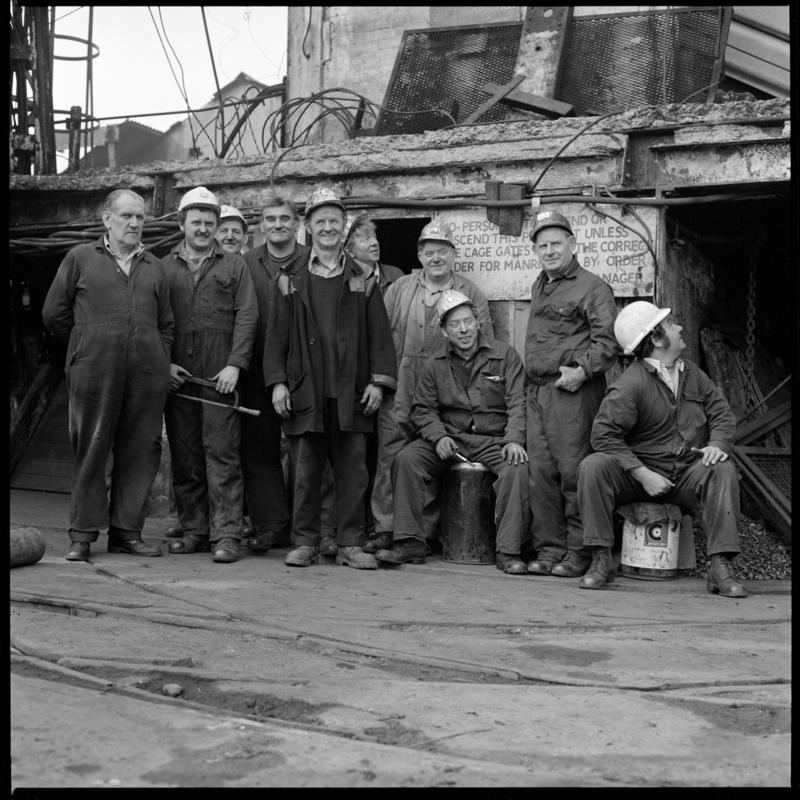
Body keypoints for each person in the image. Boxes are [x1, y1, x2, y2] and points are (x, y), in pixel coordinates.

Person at [264, 187, 397, 569]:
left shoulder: (362, 277)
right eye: (320, 221)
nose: (327, 228)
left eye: (334, 221)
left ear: (343, 227)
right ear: (308, 227)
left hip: (351, 389)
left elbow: (380, 335)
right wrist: (277, 382)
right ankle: (305, 541)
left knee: (353, 471)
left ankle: (350, 543)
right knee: (305, 471)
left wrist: (378, 381)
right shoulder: (289, 277)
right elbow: (276, 334)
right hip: (305, 386)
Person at [577, 301, 747, 597]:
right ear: (656, 339)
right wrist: (642, 474)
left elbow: (721, 413)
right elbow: (603, 435)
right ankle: (600, 558)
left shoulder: (692, 373)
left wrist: (717, 444)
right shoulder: (630, 384)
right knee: (592, 467)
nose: (679, 328)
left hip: (685, 476)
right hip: (637, 480)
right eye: (670, 325)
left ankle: (720, 566)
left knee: (722, 468)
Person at [42, 189, 173, 561]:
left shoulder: (155, 266)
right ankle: (83, 535)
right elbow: (53, 314)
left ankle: (126, 534)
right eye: (126, 216)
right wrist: (86, 345)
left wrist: (159, 356)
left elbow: (167, 324)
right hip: (94, 370)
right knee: (92, 447)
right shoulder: (80, 258)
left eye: (140, 217)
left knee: (141, 450)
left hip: (146, 374)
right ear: (106, 218)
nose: (134, 223)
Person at [377, 291, 529, 569]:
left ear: (478, 322)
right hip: (451, 438)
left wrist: (514, 440)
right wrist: (438, 436)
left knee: (516, 468)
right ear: (445, 331)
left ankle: (508, 551)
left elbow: (518, 401)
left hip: (494, 440)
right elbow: (423, 408)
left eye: (468, 321)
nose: (464, 329)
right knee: (407, 459)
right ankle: (410, 541)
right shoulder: (434, 364)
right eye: (455, 324)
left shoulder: (505, 355)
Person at [368, 220, 494, 555]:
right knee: (390, 456)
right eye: (429, 252)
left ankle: (424, 532)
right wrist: (379, 380)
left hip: (446, 392)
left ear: (454, 255)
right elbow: (379, 337)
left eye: (443, 251)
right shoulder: (399, 288)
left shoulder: (470, 293)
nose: (435, 258)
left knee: (433, 457)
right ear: (419, 255)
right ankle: (385, 527)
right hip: (400, 385)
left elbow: (485, 346)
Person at [162, 186, 258, 563]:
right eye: (196, 222)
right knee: (185, 456)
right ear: (182, 224)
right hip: (180, 379)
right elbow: (153, 321)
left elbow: (247, 315)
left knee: (223, 456)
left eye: (209, 222)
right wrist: (164, 364)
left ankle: (227, 535)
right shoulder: (163, 267)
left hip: (220, 378)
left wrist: (235, 364)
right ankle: (195, 531)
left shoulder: (234, 265)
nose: (203, 229)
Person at [524, 209, 618, 578]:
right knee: (541, 472)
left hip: (573, 392)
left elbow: (608, 342)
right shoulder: (540, 284)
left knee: (573, 472)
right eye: (542, 245)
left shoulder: (593, 287)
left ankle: (580, 551)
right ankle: (549, 550)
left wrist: (583, 371)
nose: (549, 251)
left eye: (556, 243)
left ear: (572, 244)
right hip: (538, 392)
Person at [316, 214, 405, 557]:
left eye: (375, 237)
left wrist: (381, 379)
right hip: (346, 379)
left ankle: (369, 526)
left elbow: (384, 332)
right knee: (335, 459)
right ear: (349, 247)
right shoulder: (339, 275)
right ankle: (331, 529)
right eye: (365, 238)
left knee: (375, 457)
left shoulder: (395, 276)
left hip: (383, 378)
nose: (374, 243)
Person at [239, 194, 310, 554]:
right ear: (261, 225)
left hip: (303, 367)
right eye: (270, 219)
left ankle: (307, 527)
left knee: (307, 450)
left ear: (296, 224)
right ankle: (271, 525)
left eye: (284, 218)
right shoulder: (245, 263)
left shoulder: (312, 260)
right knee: (258, 448)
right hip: (255, 369)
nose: (278, 225)